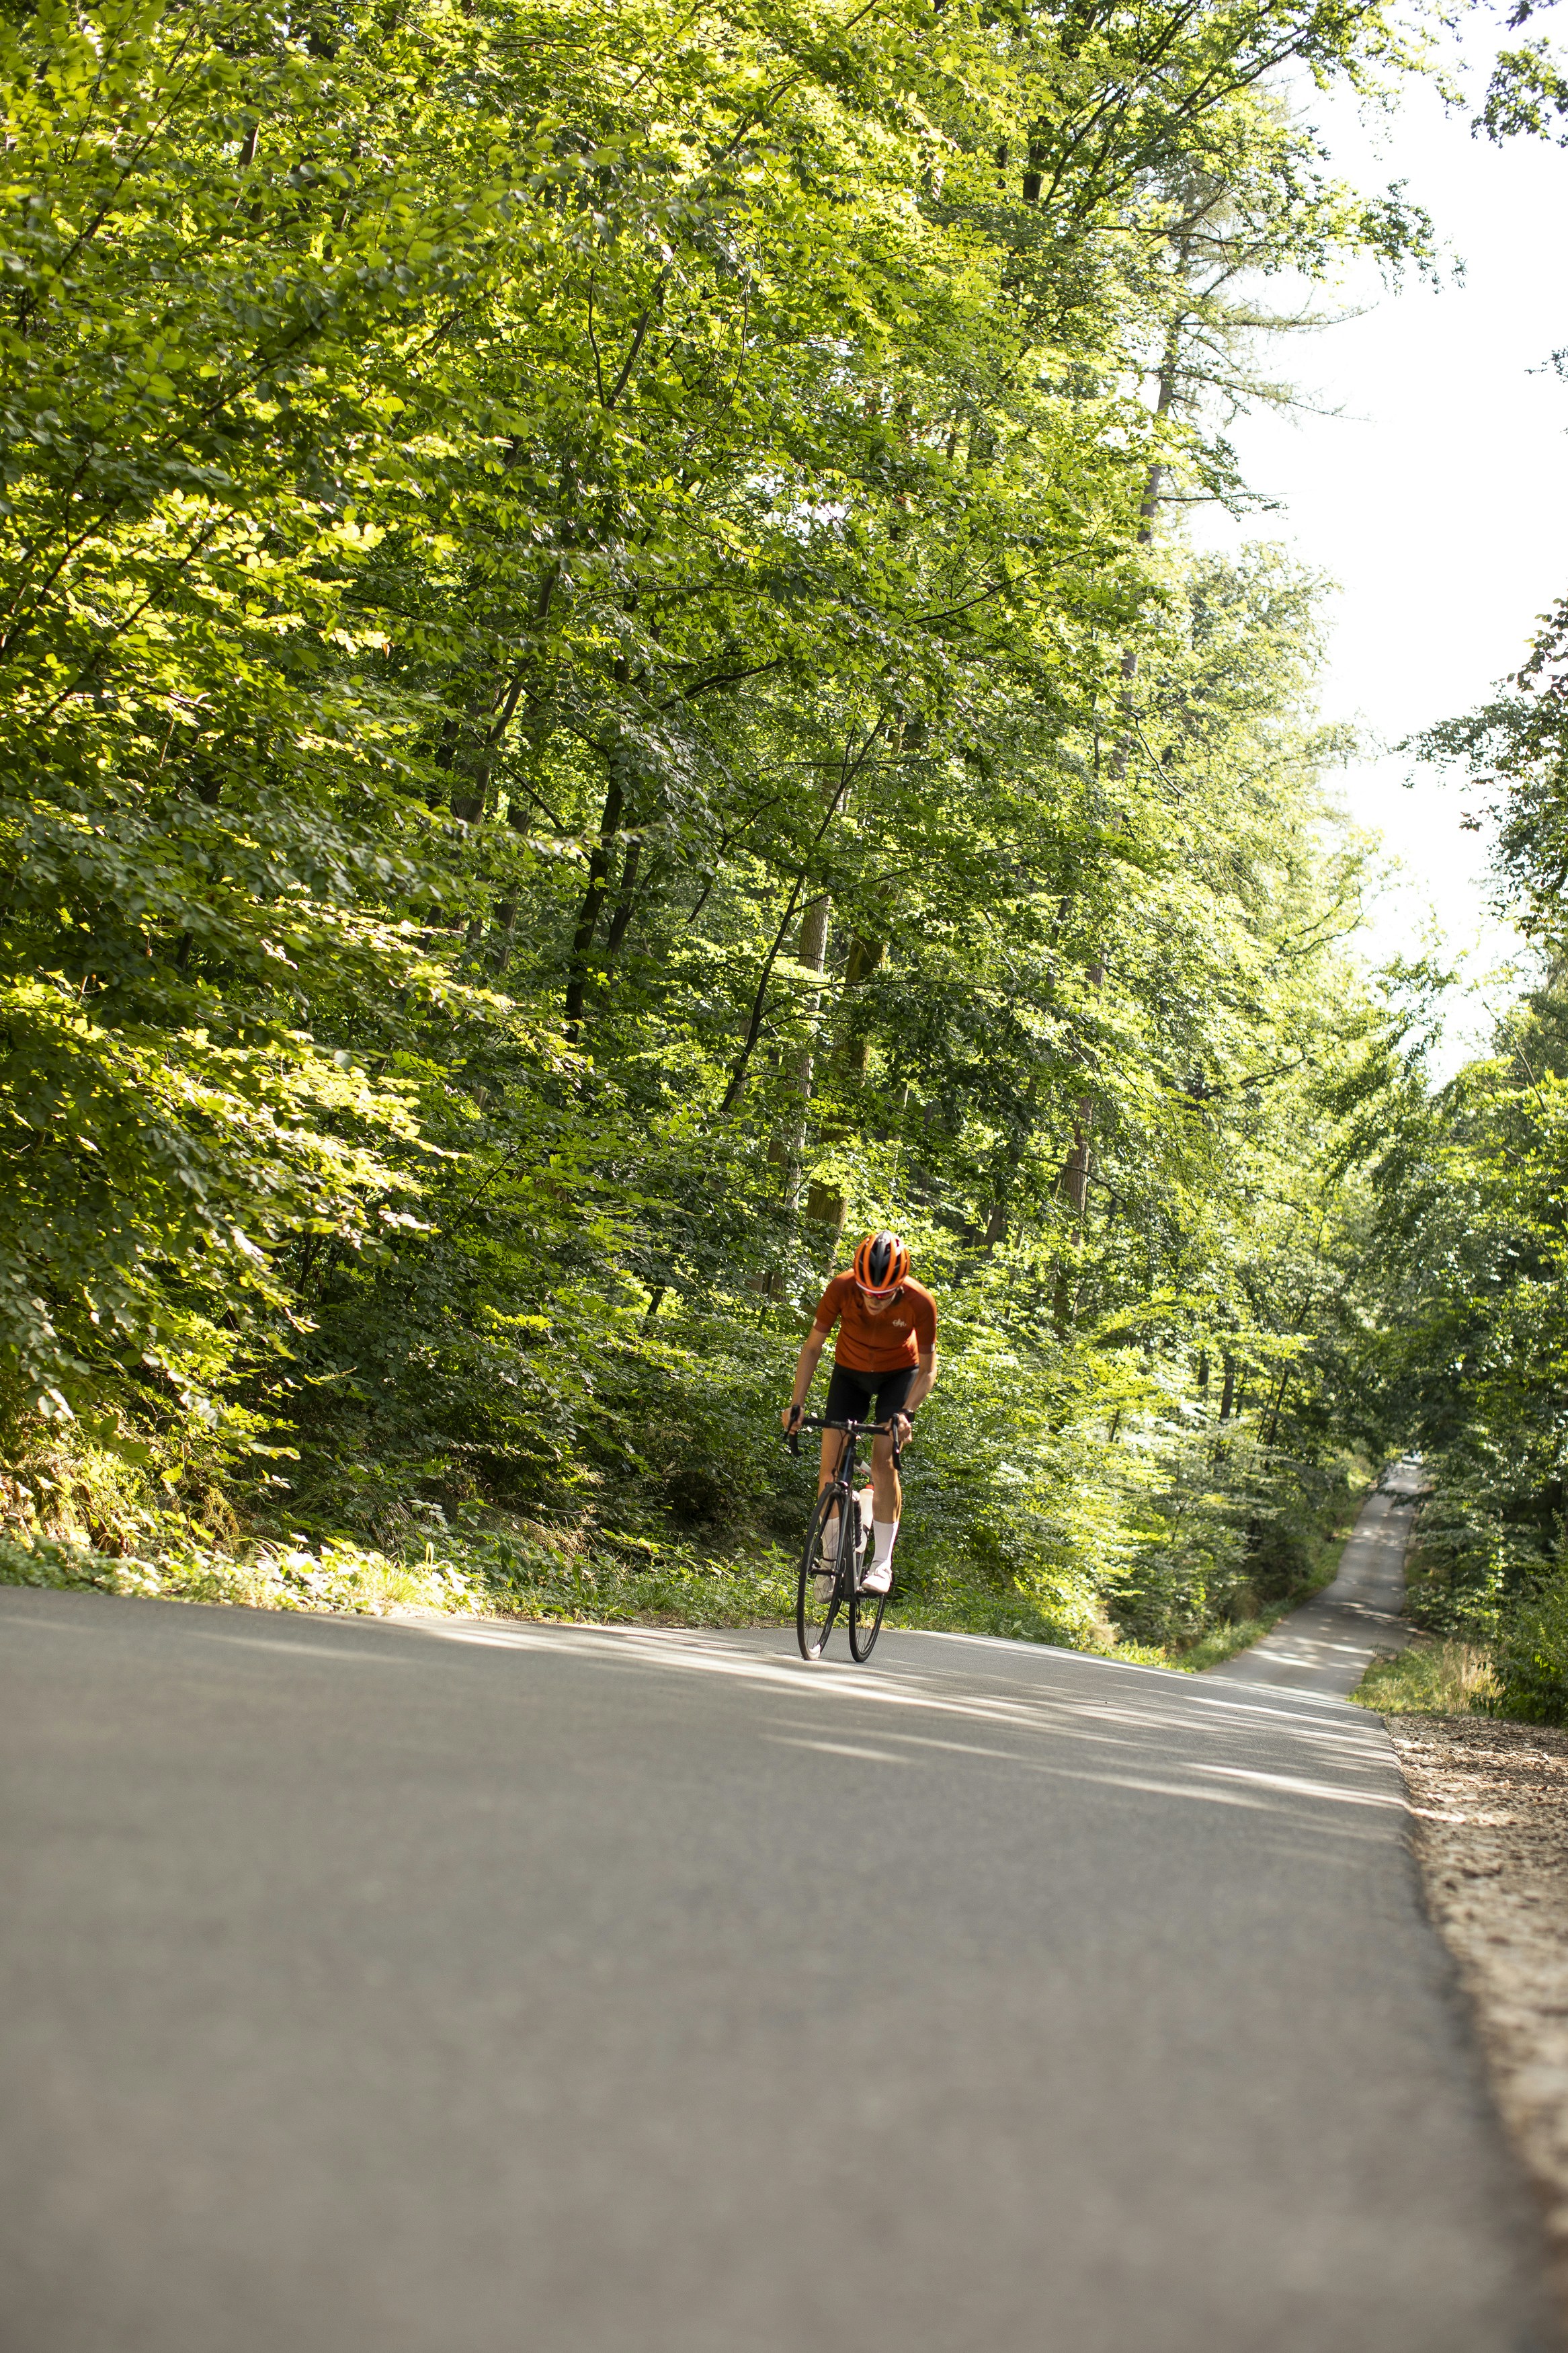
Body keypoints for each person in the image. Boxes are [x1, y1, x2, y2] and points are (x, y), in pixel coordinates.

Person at [781, 1230, 938, 1596]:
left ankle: (882, 1564)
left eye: (883, 1295)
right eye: (868, 1292)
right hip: (848, 1374)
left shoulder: (920, 1302)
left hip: (898, 1377)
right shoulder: (841, 1288)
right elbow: (813, 1347)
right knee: (829, 1468)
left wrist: (906, 1414)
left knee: (884, 1462)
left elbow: (929, 1369)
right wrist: (797, 1404)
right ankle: (832, 1558)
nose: (874, 1300)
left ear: (900, 1285)